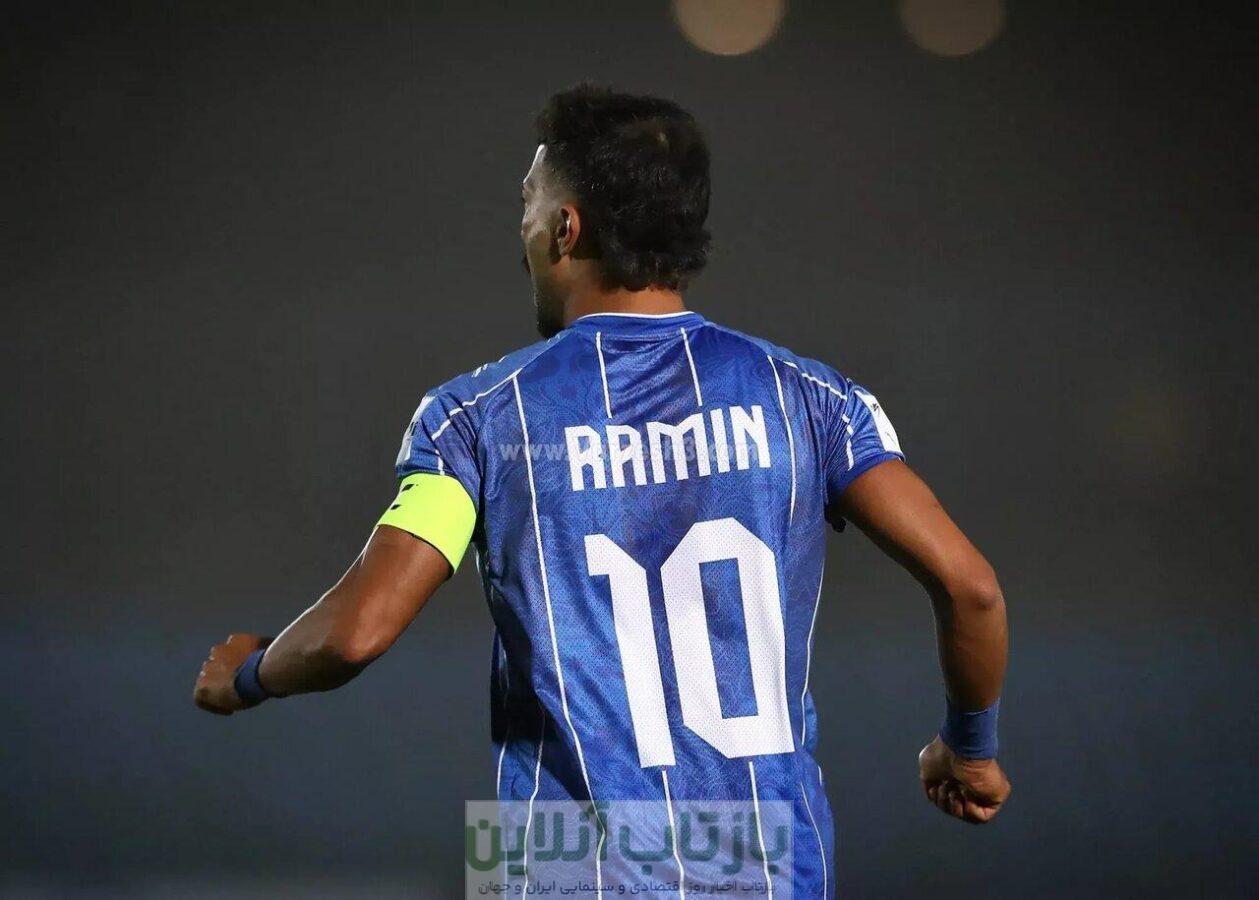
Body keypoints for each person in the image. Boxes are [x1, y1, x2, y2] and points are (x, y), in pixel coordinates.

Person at [194, 84, 1010, 896]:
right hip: (765, 863)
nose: (519, 230)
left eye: (526, 202)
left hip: (568, 867)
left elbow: (357, 632)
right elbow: (970, 588)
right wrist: (967, 748)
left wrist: (251, 672)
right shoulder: (811, 399)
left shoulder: (478, 418)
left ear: (565, 227)